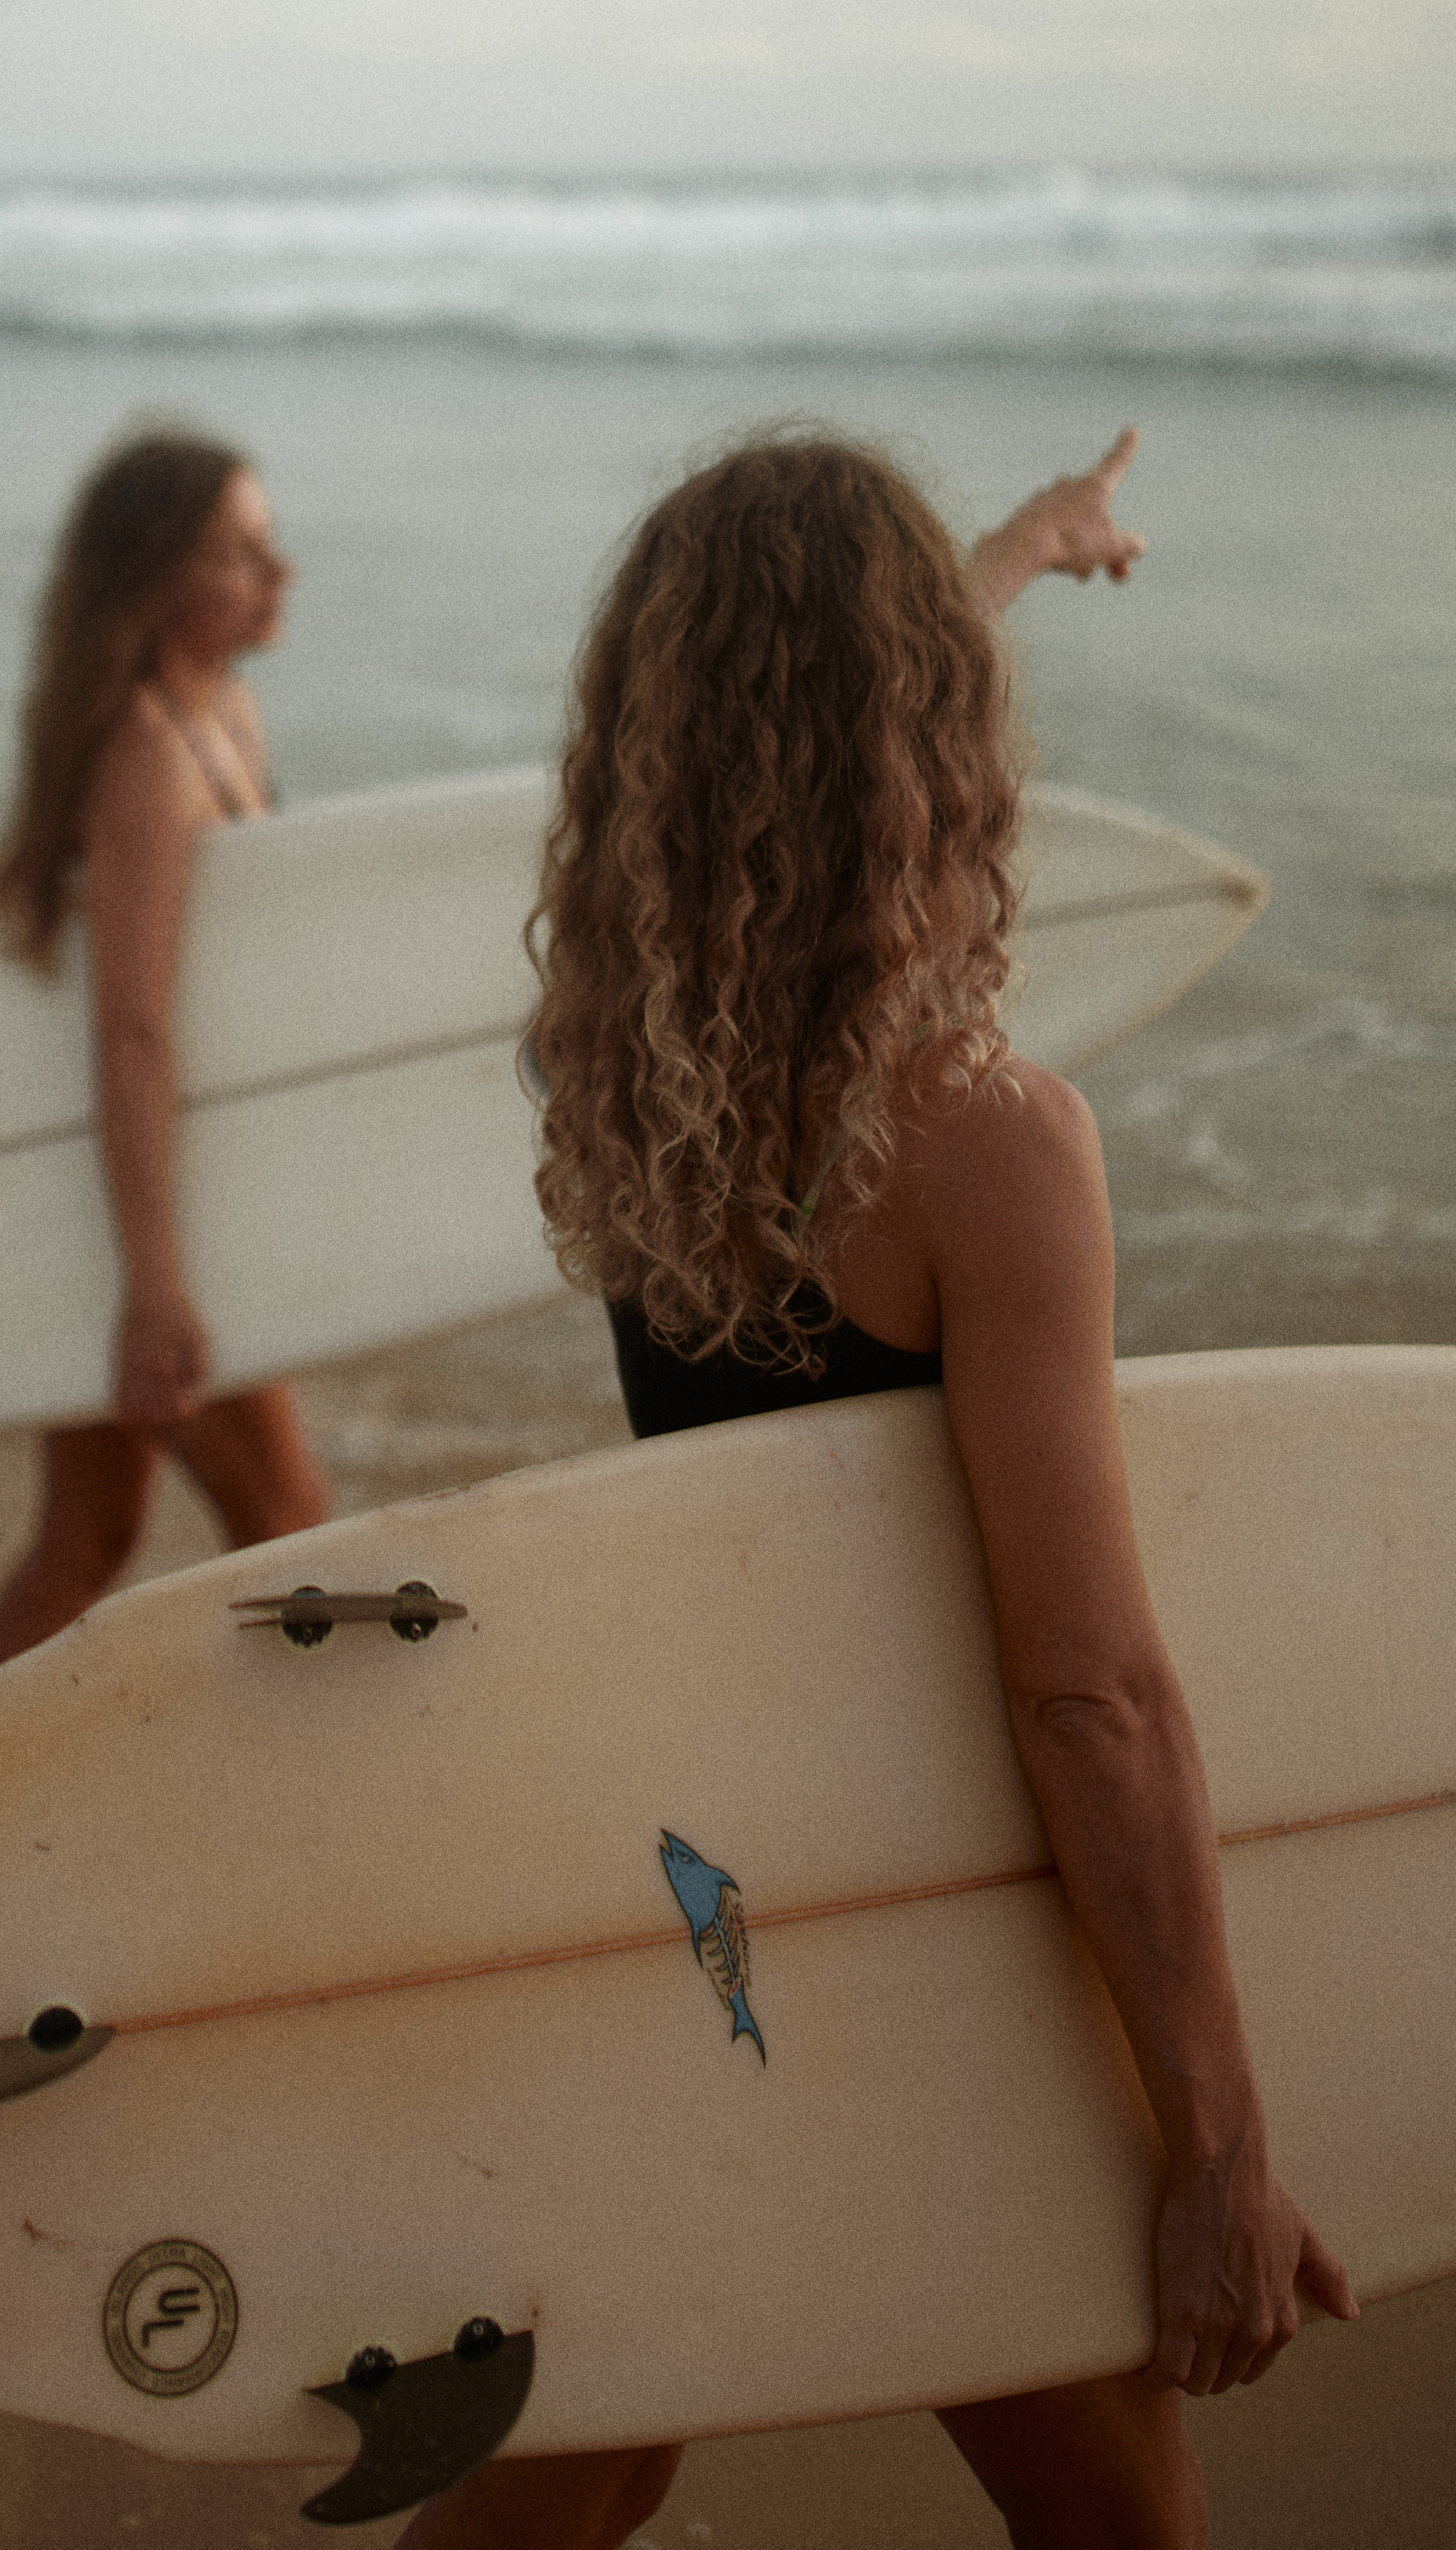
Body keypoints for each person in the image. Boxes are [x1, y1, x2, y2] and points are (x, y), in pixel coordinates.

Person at [396, 428, 1352, 2550]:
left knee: (600, 2444)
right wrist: (1214, 2136)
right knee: (1120, 2528)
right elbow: (1086, 1690)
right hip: (916, 1906)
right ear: (929, 737)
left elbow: (774, 773)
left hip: (692, 1866)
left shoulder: (608, 1047)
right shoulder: (984, 1142)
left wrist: (1007, 553)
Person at [0, 429, 331, 1679]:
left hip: (141, 1192)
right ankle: (319, 1813)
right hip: (147, 1214)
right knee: (290, 1527)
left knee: (88, 1537)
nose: (279, 569)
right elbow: (133, 1024)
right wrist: (157, 1282)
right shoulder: (148, 755)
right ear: (153, 578)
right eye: (239, 550)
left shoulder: (225, 707)